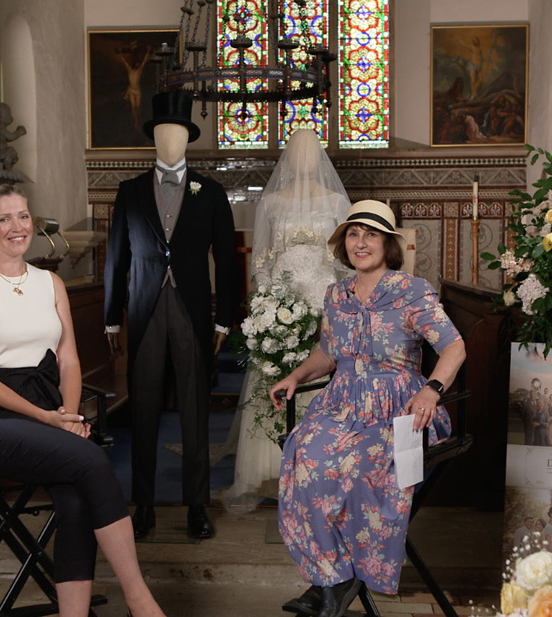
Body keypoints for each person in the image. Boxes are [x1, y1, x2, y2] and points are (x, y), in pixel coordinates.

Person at [0, 184, 165, 616]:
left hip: (51, 405)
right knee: (89, 461)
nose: (18, 227)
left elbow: (68, 359)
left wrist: (68, 414)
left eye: (24, 216)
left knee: (75, 497)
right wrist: (48, 419)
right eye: (6, 218)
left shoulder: (50, 281)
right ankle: (139, 598)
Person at [270, 200, 466, 617]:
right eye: (354, 234)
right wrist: (296, 377)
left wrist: (432, 390)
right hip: (341, 405)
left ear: (388, 244)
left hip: (402, 409)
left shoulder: (413, 292)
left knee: (360, 466)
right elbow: (328, 354)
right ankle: (332, 577)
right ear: (345, 244)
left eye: (371, 234)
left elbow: (454, 346)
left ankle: (343, 581)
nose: (361, 243)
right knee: (303, 458)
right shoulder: (336, 295)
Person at [104, 91, 238, 540]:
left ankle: (196, 506)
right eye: (162, 132)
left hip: (193, 311)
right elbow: (115, 259)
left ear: (188, 139)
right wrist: (110, 318)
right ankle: (142, 504)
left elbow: (228, 258)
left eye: (177, 132)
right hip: (144, 310)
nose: (169, 140)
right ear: (153, 139)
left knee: (195, 413)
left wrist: (224, 319)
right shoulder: (129, 192)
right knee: (142, 414)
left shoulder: (212, 192)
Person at [222, 128, 351, 508]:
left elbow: (345, 263)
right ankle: (273, 470)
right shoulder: (272, 203)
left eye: (312, 155)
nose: (305, 161)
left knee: (323, 378)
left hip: (324, 300)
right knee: (274, 381)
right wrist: (266, 308)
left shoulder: (335, 201)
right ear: (289, 160)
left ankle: (322, 468)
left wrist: (339, 306)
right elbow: (261, 261)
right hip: (281, 302)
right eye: (299, 154)